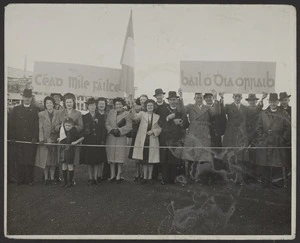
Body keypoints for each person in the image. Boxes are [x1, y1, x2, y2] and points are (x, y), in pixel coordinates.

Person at [222, 93, 264, 184]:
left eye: (239, 97)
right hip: (231, 134)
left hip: (241, 134)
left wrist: (262, 99)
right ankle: (230, 178)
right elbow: (220, 111)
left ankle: (240, 178)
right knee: (230, 155)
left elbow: (255, 110)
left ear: (241, 98)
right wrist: (221, 97)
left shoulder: (245, 108)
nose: (237, 98)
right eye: (235, 96)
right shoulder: (228, 106)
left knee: (241, 156)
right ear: (233, 97)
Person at [179, 91, 220, 184]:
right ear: (194, 99)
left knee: (204, 156)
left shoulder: (208, 107)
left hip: (204, 133)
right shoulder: (190, 106)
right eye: (197, 97)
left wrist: (216, 98)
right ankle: (190, 178)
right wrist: (181, 97)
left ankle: (202, 179)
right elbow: (182, 110)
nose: (199, 99)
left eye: (201, 98)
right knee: (191, 155)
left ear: (203, 99)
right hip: (193, 132)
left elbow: (216, 112)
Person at [255, 93, 291, 188]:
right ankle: (265, 182)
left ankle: (277, 182)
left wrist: (283, 138)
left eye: (275, 101)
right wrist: (263, 137)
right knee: (265, 162)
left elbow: (288, 127)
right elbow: (258, 127)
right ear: (269, 102)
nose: (273, 103)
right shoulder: (263, 113)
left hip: (278, 141)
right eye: (271, 101)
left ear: (278, 102)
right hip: (266, 141)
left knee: (278, 162)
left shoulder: (283, 113)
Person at [9, 89, 39, 185]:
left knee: (30, 159)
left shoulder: (35, 110)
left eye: (29, 97)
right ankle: (20, 179)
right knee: (19, 159)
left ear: (31, 98)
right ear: (22, 97)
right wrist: (12, 136)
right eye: (25, 97)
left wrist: (35, 137)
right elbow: (11, 124)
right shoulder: (16, 109)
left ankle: (29, 179)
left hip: (30, 139)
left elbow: (36, 125)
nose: (27, 99)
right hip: (19, 139)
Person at [158, 91, 189, 185]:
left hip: (178, 138)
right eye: (171, 100)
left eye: (174, 99)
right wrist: (168, 119)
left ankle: (176, 179)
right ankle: (165, 178)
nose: (173, 101)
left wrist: (181, 122)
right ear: (168, 100)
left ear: (177, 100)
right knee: (166, 159)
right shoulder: (164, 109)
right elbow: (160, 124)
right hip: (167, 138)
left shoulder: (181, 110)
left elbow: (187, 124)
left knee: (176, 159)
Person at [130, 99, 162, 184]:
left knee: (151, 159)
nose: (150, 107)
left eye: (151, 106)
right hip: (143, 140)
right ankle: (144, 177)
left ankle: (150, 177)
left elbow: (160, 128)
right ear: (146, 107)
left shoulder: (157, 116)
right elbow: (134, 118)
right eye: (148, 106)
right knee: (144, 159)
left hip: (152, 139)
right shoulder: (142, 114)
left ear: (154, 107)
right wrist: (133, 108)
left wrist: (153, 131)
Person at [56, 93, 83, 185]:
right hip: (63, 139)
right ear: (64, 103)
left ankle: (71, 180)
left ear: (73, 102)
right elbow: (56, 126)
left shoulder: (78, 113)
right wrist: (62, 127)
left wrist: (72, 128)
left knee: (71, 160)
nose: (69, 104)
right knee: (64, 160)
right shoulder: (60, 113)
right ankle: (65, 180)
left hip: (72, 139)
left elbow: (81, 126)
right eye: (67, 102)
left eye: (70, 102)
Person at [106, 97, 132, 183]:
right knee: (111, 155)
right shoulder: (111, 112)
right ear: (114, 105)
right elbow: (107, 123)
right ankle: (112, 175)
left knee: (119, 156)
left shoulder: (127, 114)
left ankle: (119, 175)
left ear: (123, 105)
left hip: (121, 136)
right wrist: (111, 130)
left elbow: (129, 126)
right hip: (111, 136)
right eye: (116, 104)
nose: (118, 106)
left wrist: (120, 131)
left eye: (120, 104)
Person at [80, 98, 106, 185]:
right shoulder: (84, 117)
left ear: (96, 106)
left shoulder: (101, 117)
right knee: (89, 160)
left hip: (98, 141)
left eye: (94, 105)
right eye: (90, 105)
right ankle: (90, 178)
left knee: (97, 160)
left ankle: (96, 178)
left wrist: (102, 140)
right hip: (88, 140)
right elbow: (83, 129)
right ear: (88, 106)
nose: (92, 107)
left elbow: (103, 129)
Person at [35, 96, 61, 185]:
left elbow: (61, 125)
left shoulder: (58, 113)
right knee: (46, 160)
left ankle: (52, 178)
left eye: (50, 103)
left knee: (54, 160)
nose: (49, 105)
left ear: (53, 104)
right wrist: (41, 139)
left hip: (55, 140)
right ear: (45, 105)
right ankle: (46, 178)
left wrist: (57, 129)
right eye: (47, 103)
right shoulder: (41, 114)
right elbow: (40, 127)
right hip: (45, 140)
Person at [58, 117, 84, 188]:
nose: (67, 127)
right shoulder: (62, 131)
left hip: (70, 151)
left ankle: (70, 182)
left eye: (69, 125)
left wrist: (76, 142)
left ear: (72, 125)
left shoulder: (74, 131)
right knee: (63, 165)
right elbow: (60, 138)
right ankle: (65, 182)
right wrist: (59, 139)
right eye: (66, 125)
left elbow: (82, 137)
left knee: (70, 165)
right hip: (63, 150)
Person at [128, 94, 148, 181]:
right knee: (136, 155)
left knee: (144, 155)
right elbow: (133, 118)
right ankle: (137, 174)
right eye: (141, 100)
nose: (142, 101)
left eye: (144, 99)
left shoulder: (150, 108)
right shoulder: (136, 109)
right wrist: (132, 108)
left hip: (146, 134)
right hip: (136, 133)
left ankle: (144, 174)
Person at [153, 88, 167, 180]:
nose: (159, 97)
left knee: (162, 152)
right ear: (155, 96)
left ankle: (163, 173)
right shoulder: (153, 106)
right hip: (154, 132)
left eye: (160, 95)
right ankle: (154, 174)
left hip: (164, 132)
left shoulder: (167, 106)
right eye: (157, 95)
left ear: (163, 96)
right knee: (154, 151)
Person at [96, 97, 109, 182]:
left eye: (103, 104)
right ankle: (98, 175)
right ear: (97, 105)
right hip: (97, 137)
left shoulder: (108, 114)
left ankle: (105, 175)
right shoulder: (95, 114)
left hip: (107, 137)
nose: (101, 105)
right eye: (100, 104)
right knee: (98, 157)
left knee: (106, 157)